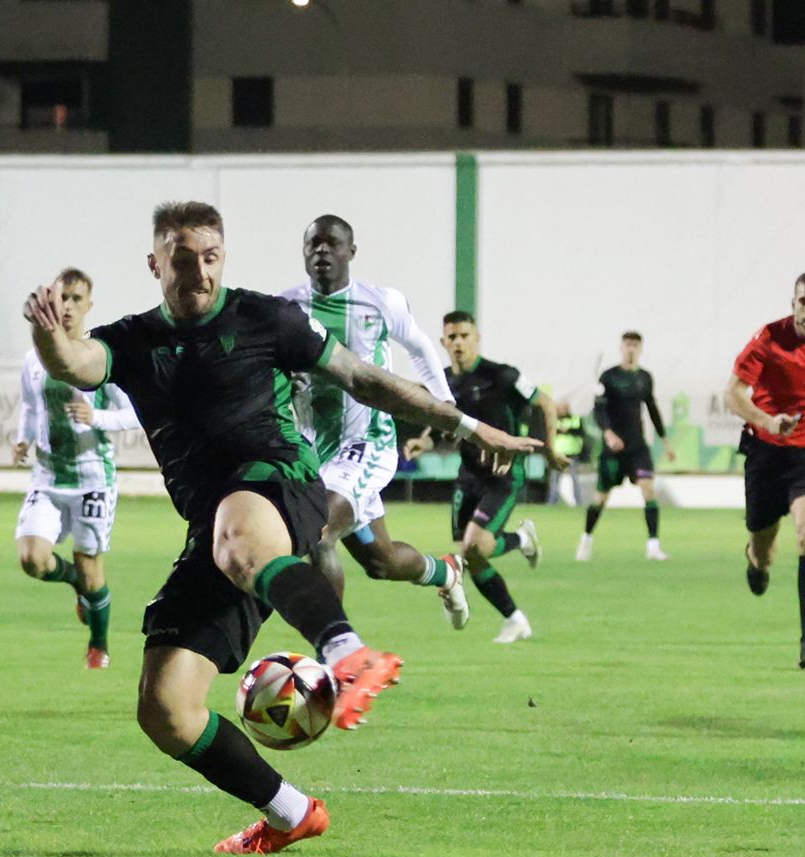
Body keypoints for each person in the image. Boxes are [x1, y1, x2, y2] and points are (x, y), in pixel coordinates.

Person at [23, 201, 538, 855]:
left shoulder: (266, 317)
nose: (200, 272)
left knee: (239, 528)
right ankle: (292, 812)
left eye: (211, 257)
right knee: (166, 708)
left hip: (285, 484)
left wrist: (466, 425)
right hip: (215, 526)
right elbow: (75, 361)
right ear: (155, 263)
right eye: (183, 259)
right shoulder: (132, 339)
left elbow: (366, 379)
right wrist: (49, 332)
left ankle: (348, 656)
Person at [278, 215, 470, 628]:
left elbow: (420, 348)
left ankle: (338, 656)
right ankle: (446, 571)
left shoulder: (381, 302)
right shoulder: (286, 307)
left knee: (319, 531)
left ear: (351, 252)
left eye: (332, 244)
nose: (322, 251)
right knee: (381, 561)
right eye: (314, 244)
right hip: (316, 450)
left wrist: (446, 407)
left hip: (368, 441)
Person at [11, 266, 141, 669]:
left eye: (75, 299)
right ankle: (74, 585)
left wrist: (95, 418)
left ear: (89, 306)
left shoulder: (98, 358)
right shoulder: (35, 358)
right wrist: (23, 438)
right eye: (60, 298)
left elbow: (135, 414)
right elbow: (31, 406)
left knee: (91, 566)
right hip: (48, 478)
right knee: (32, 559)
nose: (66, 307)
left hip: (92, 481)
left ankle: (99, 643)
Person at [442, 311, 567, 644]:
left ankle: (522, 540)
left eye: (464, 336)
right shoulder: (443, 381)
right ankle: (516, 619)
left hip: (504, 475)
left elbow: (546, 403)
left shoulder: (501, 375)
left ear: (477, 339)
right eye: (452, 337)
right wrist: (422, 440)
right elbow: (436, 418)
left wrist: (551, 450)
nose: (458, 343)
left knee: (474, 546)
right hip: (468, 475)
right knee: (469, 555)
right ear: (443, 342)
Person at [723, 273, 805, 668]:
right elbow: (733, 393)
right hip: (768, 451)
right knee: (763, 540)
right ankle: (756, 562)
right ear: (793, 303)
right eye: (804, 301)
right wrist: (769, 422)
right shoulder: (769, 339)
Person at [577, 332, 675, 561]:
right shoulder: (608, 377)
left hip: (637, 446)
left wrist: (665, 442)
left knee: (648, 489)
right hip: (614, 450)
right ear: (621, 347)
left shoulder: (645, 378)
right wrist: (608, 434)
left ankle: (653, 546)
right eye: (627, 344)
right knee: (601, 497)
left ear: (640, 348)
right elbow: (598, 410)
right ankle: (586, 539)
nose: (630, 348)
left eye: (635, 345)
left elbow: (652, 409)